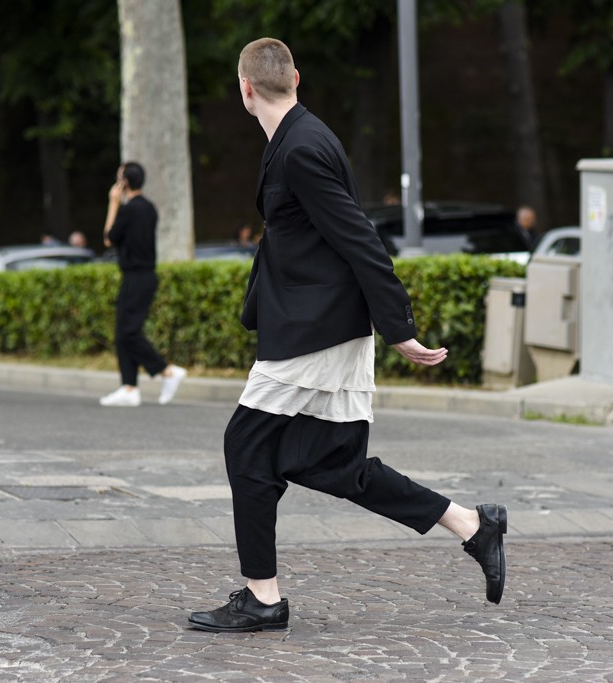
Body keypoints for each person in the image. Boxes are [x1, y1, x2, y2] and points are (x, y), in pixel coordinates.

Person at [187, 38, 507, 633]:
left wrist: (399, 330)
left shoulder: (301, 149)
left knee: (246, 446)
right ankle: (471, 524)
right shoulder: (303, 136)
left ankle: (263, 599)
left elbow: (361, 239)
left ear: (245, 90)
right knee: (329, 463)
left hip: (316, 332)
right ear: (297, 78)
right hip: (317, 326)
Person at [98, 162, 186, 407]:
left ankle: (166, 371)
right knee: (123, 332)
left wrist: (113, 203)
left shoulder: (128, 210)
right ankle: (129, 387)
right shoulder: (149, 208)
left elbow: (109, 238)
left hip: (136, 277)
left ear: (123, 183)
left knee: (127, 332)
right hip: (144, 276)